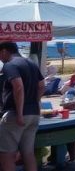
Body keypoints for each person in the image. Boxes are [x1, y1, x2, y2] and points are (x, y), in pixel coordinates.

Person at [0, 41, 44, 171]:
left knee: (6, 155)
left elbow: (18, 87)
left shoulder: (9, 65)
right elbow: (41, 86)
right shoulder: (31, 63)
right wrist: (33, 102)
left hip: (15, 114)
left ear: (4, 51)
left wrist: (20, 113)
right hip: (33, 113)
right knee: (28, 153)